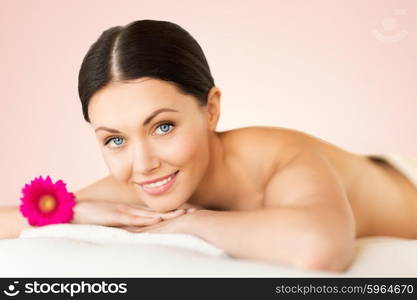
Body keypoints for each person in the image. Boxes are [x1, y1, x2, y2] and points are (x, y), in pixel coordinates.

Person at [2, 19, 417, 273]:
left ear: (211, 109)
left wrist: (192, 222)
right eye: (115, 139)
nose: (143, 162)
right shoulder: (140, 181)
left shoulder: (280, 158)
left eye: (162, 127)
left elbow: (319, 250)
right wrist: (73, 210)